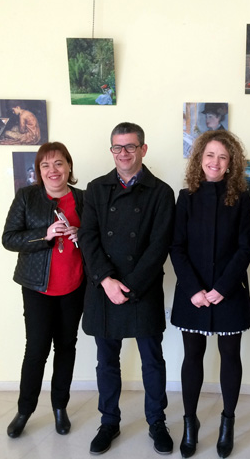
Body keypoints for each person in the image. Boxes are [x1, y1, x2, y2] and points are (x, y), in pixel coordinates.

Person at [78, 122, 175, 456]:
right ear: (112, 151)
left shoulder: (162, 193)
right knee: (107, 362)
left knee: (153, 361)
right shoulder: (96, 189)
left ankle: (157, 422)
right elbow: (88, 238)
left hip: (142, 289)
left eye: (130, 147)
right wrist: (107, 281)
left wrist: (129, 286)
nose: (123, 154)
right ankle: (109, 422)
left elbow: (159, 246)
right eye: (117, 148)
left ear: (143, 149)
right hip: (103, 289)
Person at [170, 131, 250, 458]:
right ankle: (190, 425)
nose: (215, 162)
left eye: (222, 156)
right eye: (209, 155)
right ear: (199, 159)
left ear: (230, 162)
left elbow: (246, 248)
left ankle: (227, 422)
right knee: (193, 358)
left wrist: (221, 288)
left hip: (229, 294)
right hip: (192, 295)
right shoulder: (185, 197)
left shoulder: (242, 198)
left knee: (230, 357)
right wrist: (195, 290)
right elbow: (176, 247)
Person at [2, 142, 85, 439]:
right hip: (37, 287)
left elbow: (97, 241)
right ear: (38, 171)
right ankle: (24, 411)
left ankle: (60, 408)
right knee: (37, 349)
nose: (53, 170)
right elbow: (9, 239)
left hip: (74, 286)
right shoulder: (27, 197)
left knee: (66, 347)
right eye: (45, 165)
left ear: (69, 166)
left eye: (59, 163)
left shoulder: (85, 200)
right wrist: (45, 234)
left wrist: (81, 234)